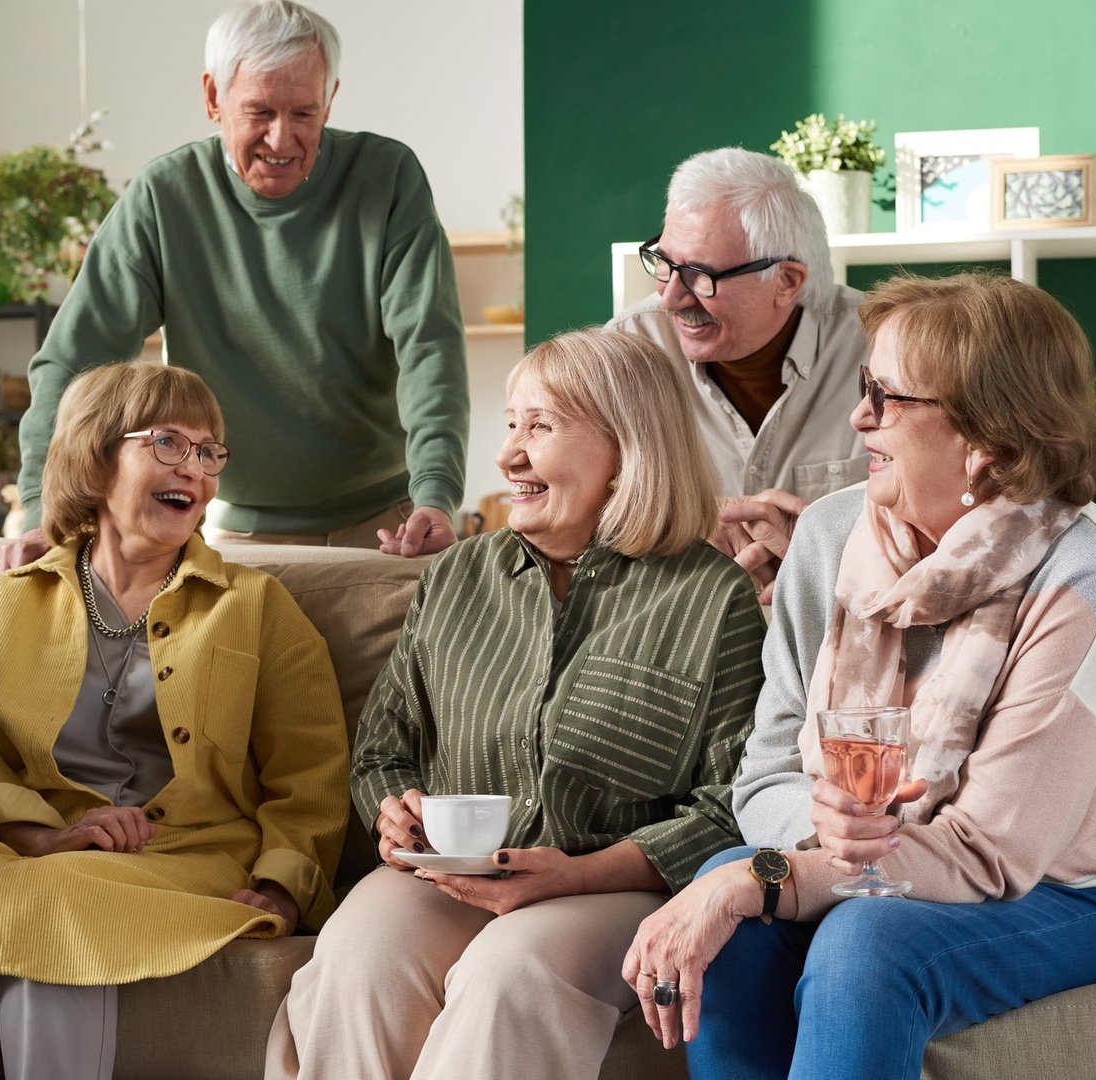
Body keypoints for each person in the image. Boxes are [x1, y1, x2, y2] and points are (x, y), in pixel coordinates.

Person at [621, 272, 1096, 1078]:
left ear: (987, 439)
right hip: (888, 863)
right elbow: (763, 781)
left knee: (867, 939)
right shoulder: (831, 535)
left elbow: (989, 857)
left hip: (1081, 888)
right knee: (725, 890)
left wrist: (774, 878)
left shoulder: (1080, 571)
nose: (858, 415)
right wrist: (817, 839)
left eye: (887, 396)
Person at [266, 329, 767, 1080]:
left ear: (626, 449)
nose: (507, 456)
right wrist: (393, 807)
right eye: (510, 424)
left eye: (540, 427)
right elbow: (382, 750)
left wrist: (576, 874)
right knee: (356, 958)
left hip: (610, 883)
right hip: (447, 872)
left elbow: (732, 808)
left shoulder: (712, 598)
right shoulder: (459, 576)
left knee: (508, 975)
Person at [0, 360, 351, 1080]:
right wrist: (52, 836)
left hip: (188, 859)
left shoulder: (254, 606)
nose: (198, 468)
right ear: (96, 456)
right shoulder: (15, 600)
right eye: (169, 443)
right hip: (39, 852)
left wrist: (280, 885)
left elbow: (311, 773)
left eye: (209, 451)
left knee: (48, 897)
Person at [0, 0, 468, 570]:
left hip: (386, 523)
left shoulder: (387, 178)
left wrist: (437, 494)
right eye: (259, 111)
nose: (281, 139)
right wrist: (47, 511)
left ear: (330, 97)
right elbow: (74, 362)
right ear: (213, 97)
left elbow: (429, 347)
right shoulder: (165, 198)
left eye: (305, 114)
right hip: (230, 526)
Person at [609, 147, 872, 602]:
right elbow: (586, 493)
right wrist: (687, 516)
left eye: (698, 274)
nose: (671, 297)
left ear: (787, 281)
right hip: (685, 621)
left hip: (843, 621)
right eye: (664, 263)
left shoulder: (884, 346)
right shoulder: (631, 346)